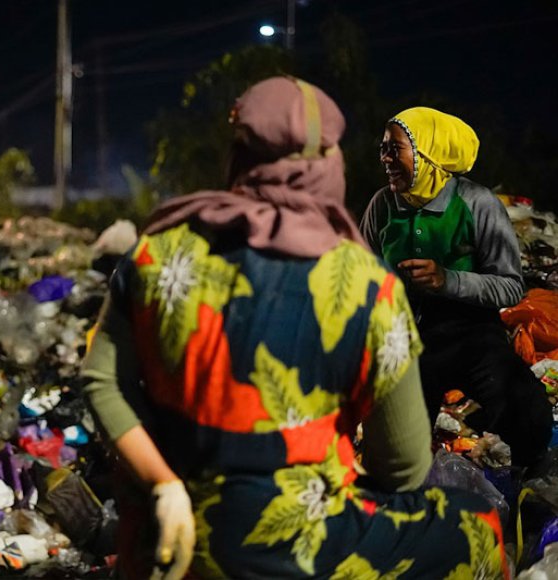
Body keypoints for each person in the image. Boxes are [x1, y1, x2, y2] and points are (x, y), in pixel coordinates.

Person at [80, 77, 508, 579]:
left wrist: (164, 484)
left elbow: (100, 380)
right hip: (302, 551)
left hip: (166, 545)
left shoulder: (157, 253)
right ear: (329, 162)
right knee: (476, 523)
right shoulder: (367, 285)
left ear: (239, 157)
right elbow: (405, 468)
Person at [361, 106, 552, 467]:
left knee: (529, 411)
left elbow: (511, 287)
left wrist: (447, 280)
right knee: (389, 448)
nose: (385, 158)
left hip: (472, 334)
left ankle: (525, 488)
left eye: (395, 148)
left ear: (427, 153)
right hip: (406, 339)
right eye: (383, 148)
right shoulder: (382, 206)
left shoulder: (476, 203)